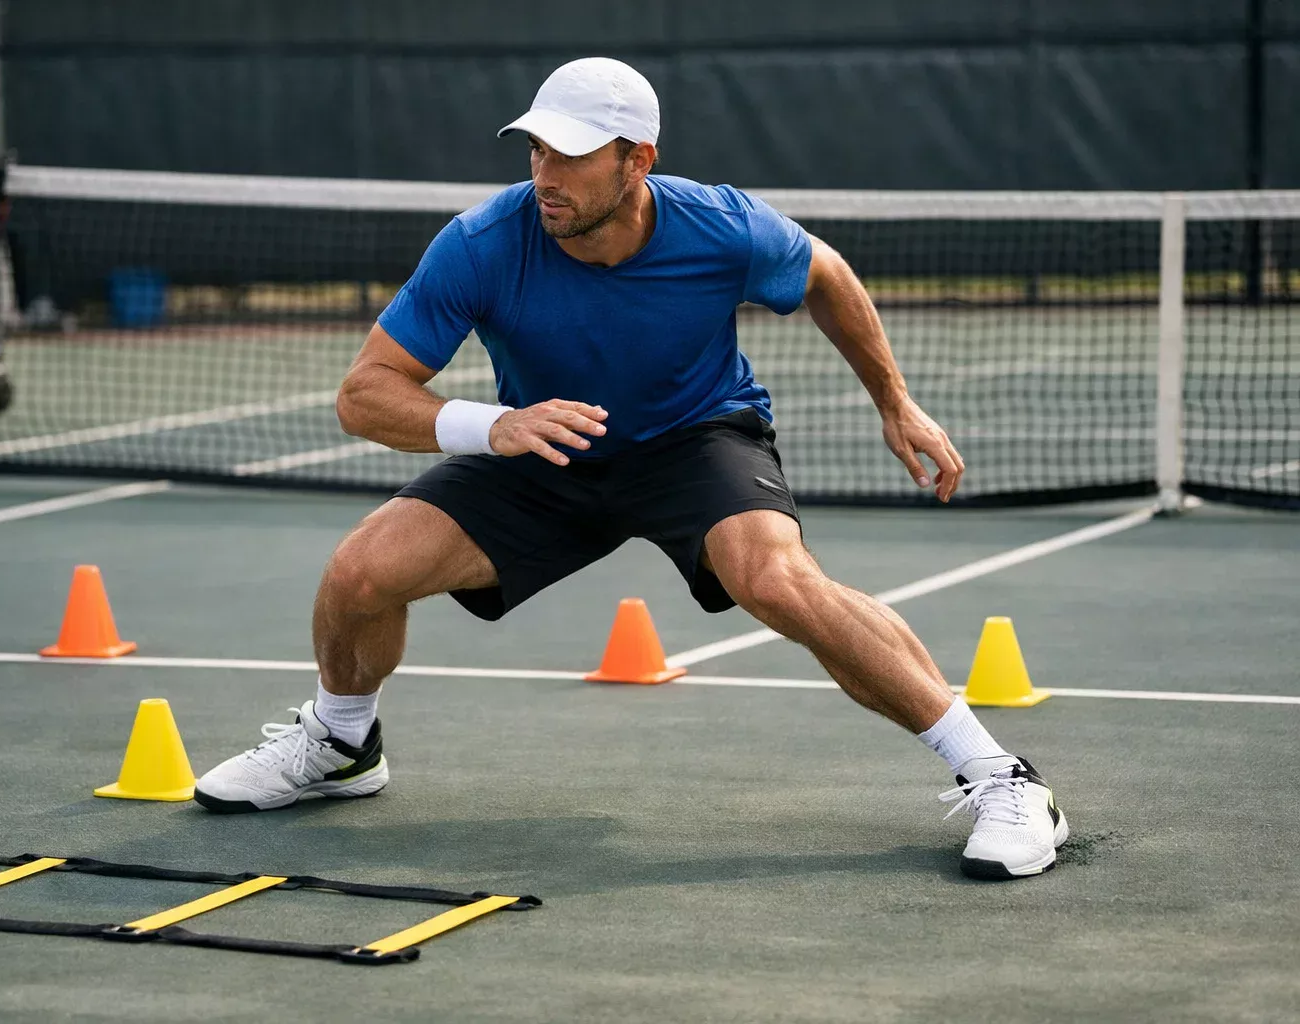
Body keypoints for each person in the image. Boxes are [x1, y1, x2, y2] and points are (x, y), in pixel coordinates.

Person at [195, 57, 1068, 880]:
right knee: (360, 573)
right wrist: (494, 425)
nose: (546, 174)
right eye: (537, 148)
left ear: (636, 160)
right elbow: (364, 395)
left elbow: (826, 275)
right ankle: (344, 746)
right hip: (545, 442)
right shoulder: (482, 243)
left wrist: (895, 400)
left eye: (571, 154)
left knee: (778, 580)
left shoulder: (721, 226)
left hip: (695, 437)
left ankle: (1003, 777)